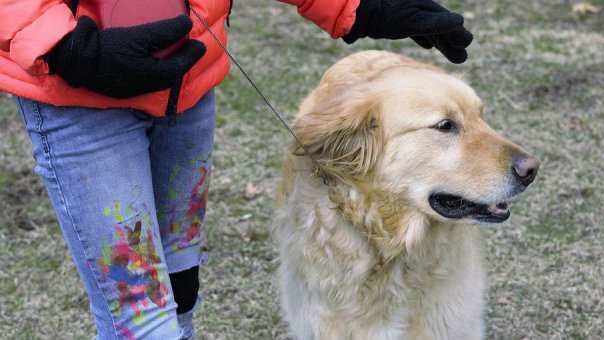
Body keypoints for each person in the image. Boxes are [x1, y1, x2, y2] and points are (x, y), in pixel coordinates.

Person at [0, 0, 472, 339]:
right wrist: (65, 46)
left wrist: (358, 5)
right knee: (140, 314)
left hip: (185, 83)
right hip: (80, 96)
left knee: (181, 286)